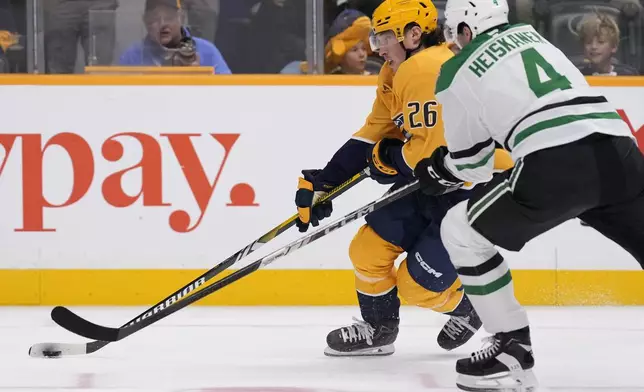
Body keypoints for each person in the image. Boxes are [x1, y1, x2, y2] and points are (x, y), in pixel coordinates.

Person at [413, 0, 644, 390]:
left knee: (459, 230)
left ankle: (510, 349)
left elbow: (473, 166)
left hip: (556, 162)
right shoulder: (537, 39)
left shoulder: (455, 68)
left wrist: (440, 169)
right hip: (620, 152)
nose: (454, 45)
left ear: (465, 31)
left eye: (454, 36)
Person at [294, 0, 513, 357]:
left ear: (414, 35)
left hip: (475, 189)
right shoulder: (396, 72)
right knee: (367, 249)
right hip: (431, 182)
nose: (376, 47)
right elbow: (373, 134)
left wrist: (388, 160)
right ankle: (378, 328)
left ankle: (468, 306)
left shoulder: (430, 69)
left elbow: (437, 155)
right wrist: (325, 181)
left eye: (383, 36)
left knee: (418, 285)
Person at [119, 0, 231, 73]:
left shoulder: (207, 51)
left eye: (169, 18)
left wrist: (198, 80)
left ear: (181, 18)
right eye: (155, 19)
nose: (163, 24)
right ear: (145, 22)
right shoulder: (132, 56)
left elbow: (228, 92)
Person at [577, 12, 637, 76]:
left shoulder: (629, 75)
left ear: (614, 46)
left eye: (600, 42)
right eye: (588, 42)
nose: (593, 46)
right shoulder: (575, 75)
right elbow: (564, 84)